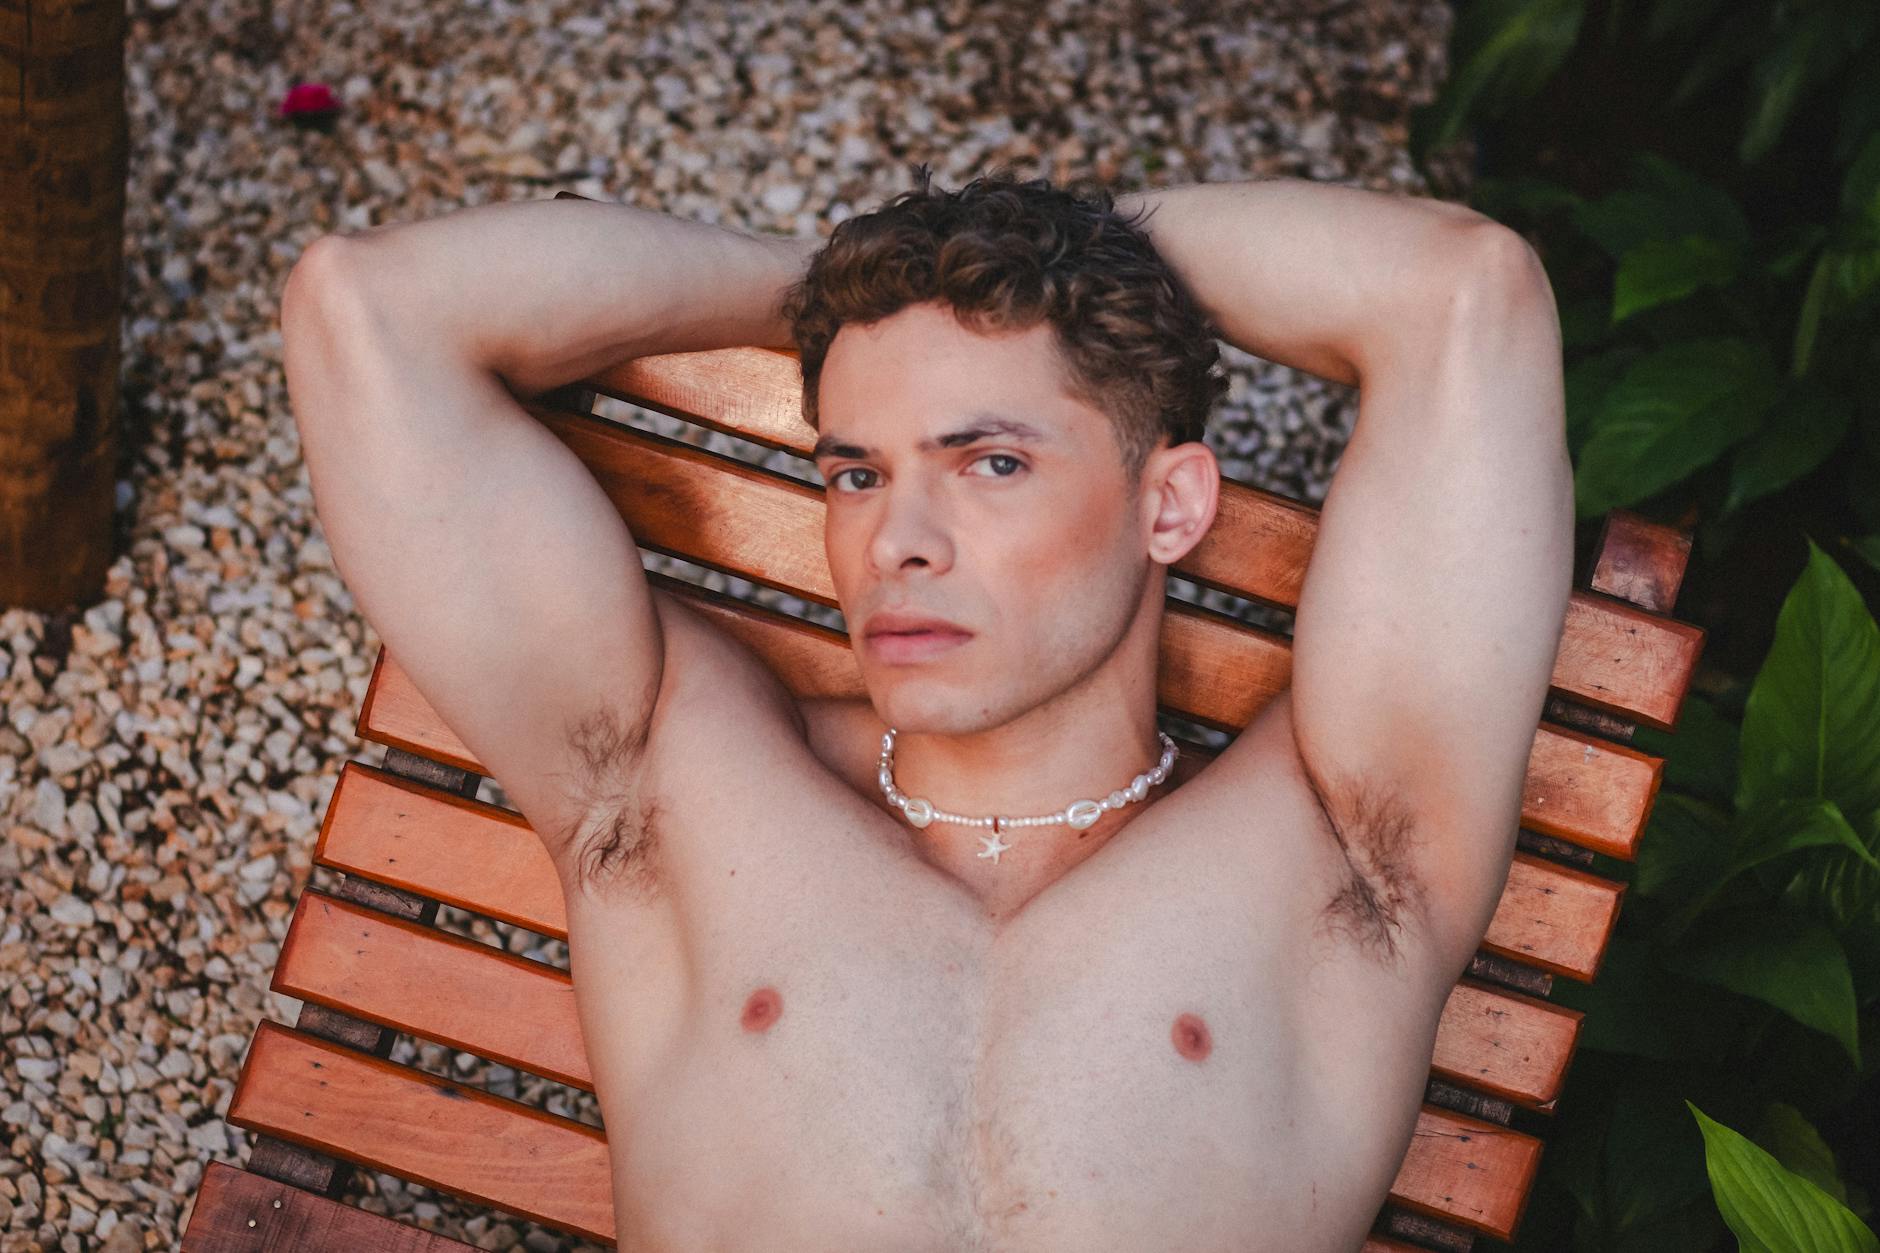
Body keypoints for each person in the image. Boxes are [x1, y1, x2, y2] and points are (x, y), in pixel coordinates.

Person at [279, 165, 1574, 1252]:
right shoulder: (670, 784)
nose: (896, 538)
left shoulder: (1352, 853)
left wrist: (1050, 249)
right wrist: (850, 280)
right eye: (855, 471)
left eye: (990, 461)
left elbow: (1465, 298)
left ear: (1168, 506)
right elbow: (370, 313)